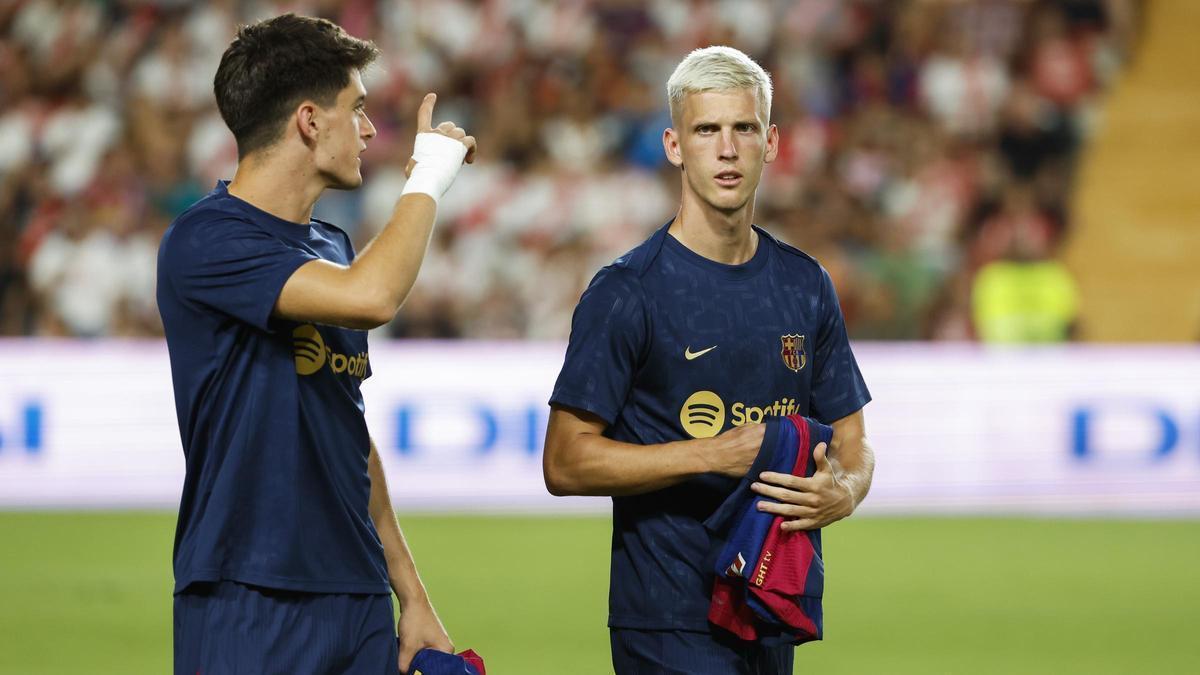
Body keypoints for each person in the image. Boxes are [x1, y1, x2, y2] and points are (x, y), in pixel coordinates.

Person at [156, 14, 475, 675]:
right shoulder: (206, 241)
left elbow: (347, 432)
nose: (368, 130)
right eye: (356, 110)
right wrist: (426, 178)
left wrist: (411, 594)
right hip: (246, 592)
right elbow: (374, 298)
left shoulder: (332, 247)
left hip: (357, 598)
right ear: (309, 121)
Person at [543, 46, 875, 674]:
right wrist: (714, 453)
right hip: (666, 619)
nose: (727, 149)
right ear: (674, 145)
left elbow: (854, 436)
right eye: (706, 130)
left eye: (743, 128)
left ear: (771, 142)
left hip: (773, 610)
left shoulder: (806, 285)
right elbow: (564, 460)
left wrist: (846, 490)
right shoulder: (627, 291)